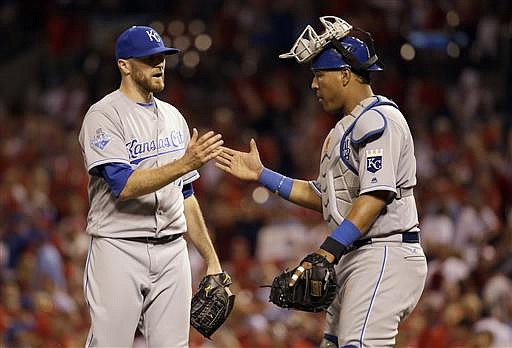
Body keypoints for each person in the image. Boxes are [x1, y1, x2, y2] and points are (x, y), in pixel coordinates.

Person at [216, 16, 427, 347]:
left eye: (319, 75)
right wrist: (261, 174)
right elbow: (324, 196)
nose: (313, 85)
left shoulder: (380, 119)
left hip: (385, 252)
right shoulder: (343, 130)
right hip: (356, 254)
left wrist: (327, 252)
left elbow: (374, 196)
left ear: (345, 74)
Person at [78, 25, 226, 347]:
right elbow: (123, 185)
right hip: (119, 247)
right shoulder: (104, 115)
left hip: (173, 250)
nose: (159, 65)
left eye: (162, 57)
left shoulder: (174, 116)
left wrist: (212, 260)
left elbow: (185, 195)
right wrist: (185, 163)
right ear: (125, 65)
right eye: (149, 59)